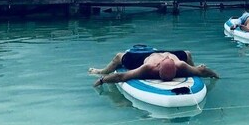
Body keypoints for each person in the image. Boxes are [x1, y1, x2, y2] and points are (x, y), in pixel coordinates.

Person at [89, 49, 219, 87]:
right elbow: (121, 76)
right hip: (146, 57)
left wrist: (215, 75)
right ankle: (101, 69)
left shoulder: (180, 65)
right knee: (118, 57)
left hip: (167, 55)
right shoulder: (148, 68)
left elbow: (203, 71)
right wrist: (102, 78)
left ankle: (100, 71)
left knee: (187, 54)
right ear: (157, 68)